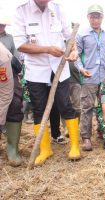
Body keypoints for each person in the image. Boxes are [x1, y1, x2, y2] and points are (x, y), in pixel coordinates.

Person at [12, 0, 80, 166]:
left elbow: (69, 36)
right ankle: (45, 149)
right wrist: (47, 49)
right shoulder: (21, 11)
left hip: (59, 67)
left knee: (65, 104)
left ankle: (75, 146)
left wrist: (74, 50)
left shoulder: (58, 9)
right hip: (36, 70)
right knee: (39, 109)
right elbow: (20, 45)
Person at [75, 4, 105, 151]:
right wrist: (81, 68)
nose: (95, 19)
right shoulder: (82, 34)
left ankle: (103, 131)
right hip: (89, 75)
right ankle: (86, 137)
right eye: (92, 16)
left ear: (102, 18)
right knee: (87, 107)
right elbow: (76, 55)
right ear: (88, 17)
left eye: (98, 16)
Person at [0, 13, 24, 167]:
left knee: (14, 104)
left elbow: (16, 59)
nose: (1, 27)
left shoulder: (9, 39)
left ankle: (12, 148)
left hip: (7, 73)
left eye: (3, 25)